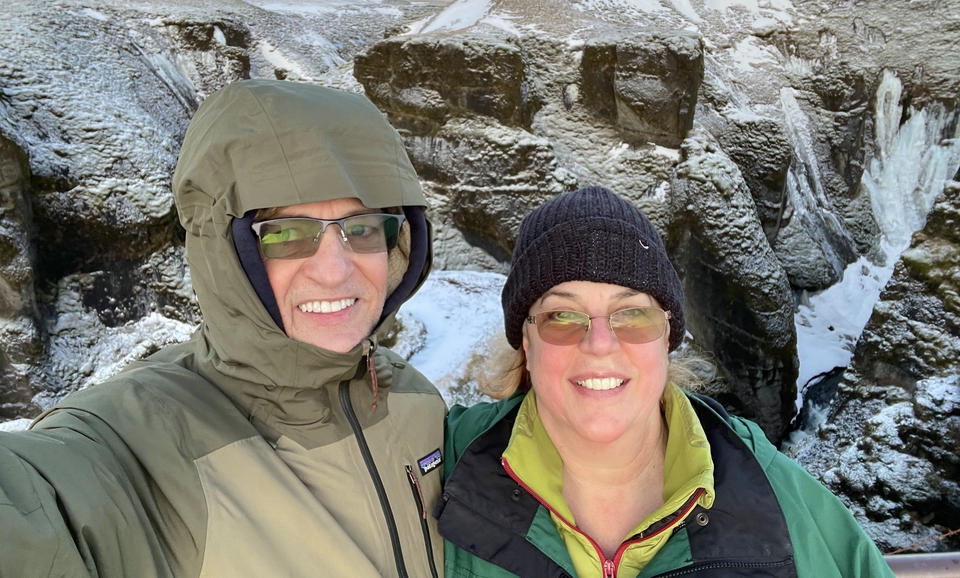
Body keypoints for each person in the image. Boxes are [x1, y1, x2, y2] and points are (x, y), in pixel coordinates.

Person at [0, 80, 446, 578]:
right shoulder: (137, 444)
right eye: (285, 233)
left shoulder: (417, 401)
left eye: (361, 228)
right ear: (226, 251)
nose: (335, 271)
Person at [436, 185, 894, 578]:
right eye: (562, 316)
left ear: (667, 338)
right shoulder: (438, 465)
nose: (600, 344)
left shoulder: (772, 493)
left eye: (633, 314)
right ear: (526, 341)